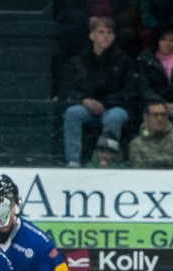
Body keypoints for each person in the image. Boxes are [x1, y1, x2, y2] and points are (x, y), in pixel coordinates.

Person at [58, 16, 136, 165]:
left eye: (109, 32)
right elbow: (68, 89)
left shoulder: (124, 61)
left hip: (115, 107)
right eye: (101, 32)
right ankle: (73, 162)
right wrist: (84, 100)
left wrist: (105, 104)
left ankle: (105, 162)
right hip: (87, 107)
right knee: (72, 113)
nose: (106, 36)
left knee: (114, 117)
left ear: (113, 36)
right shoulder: (78, 61)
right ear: (92, 35)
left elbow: (129, 91)